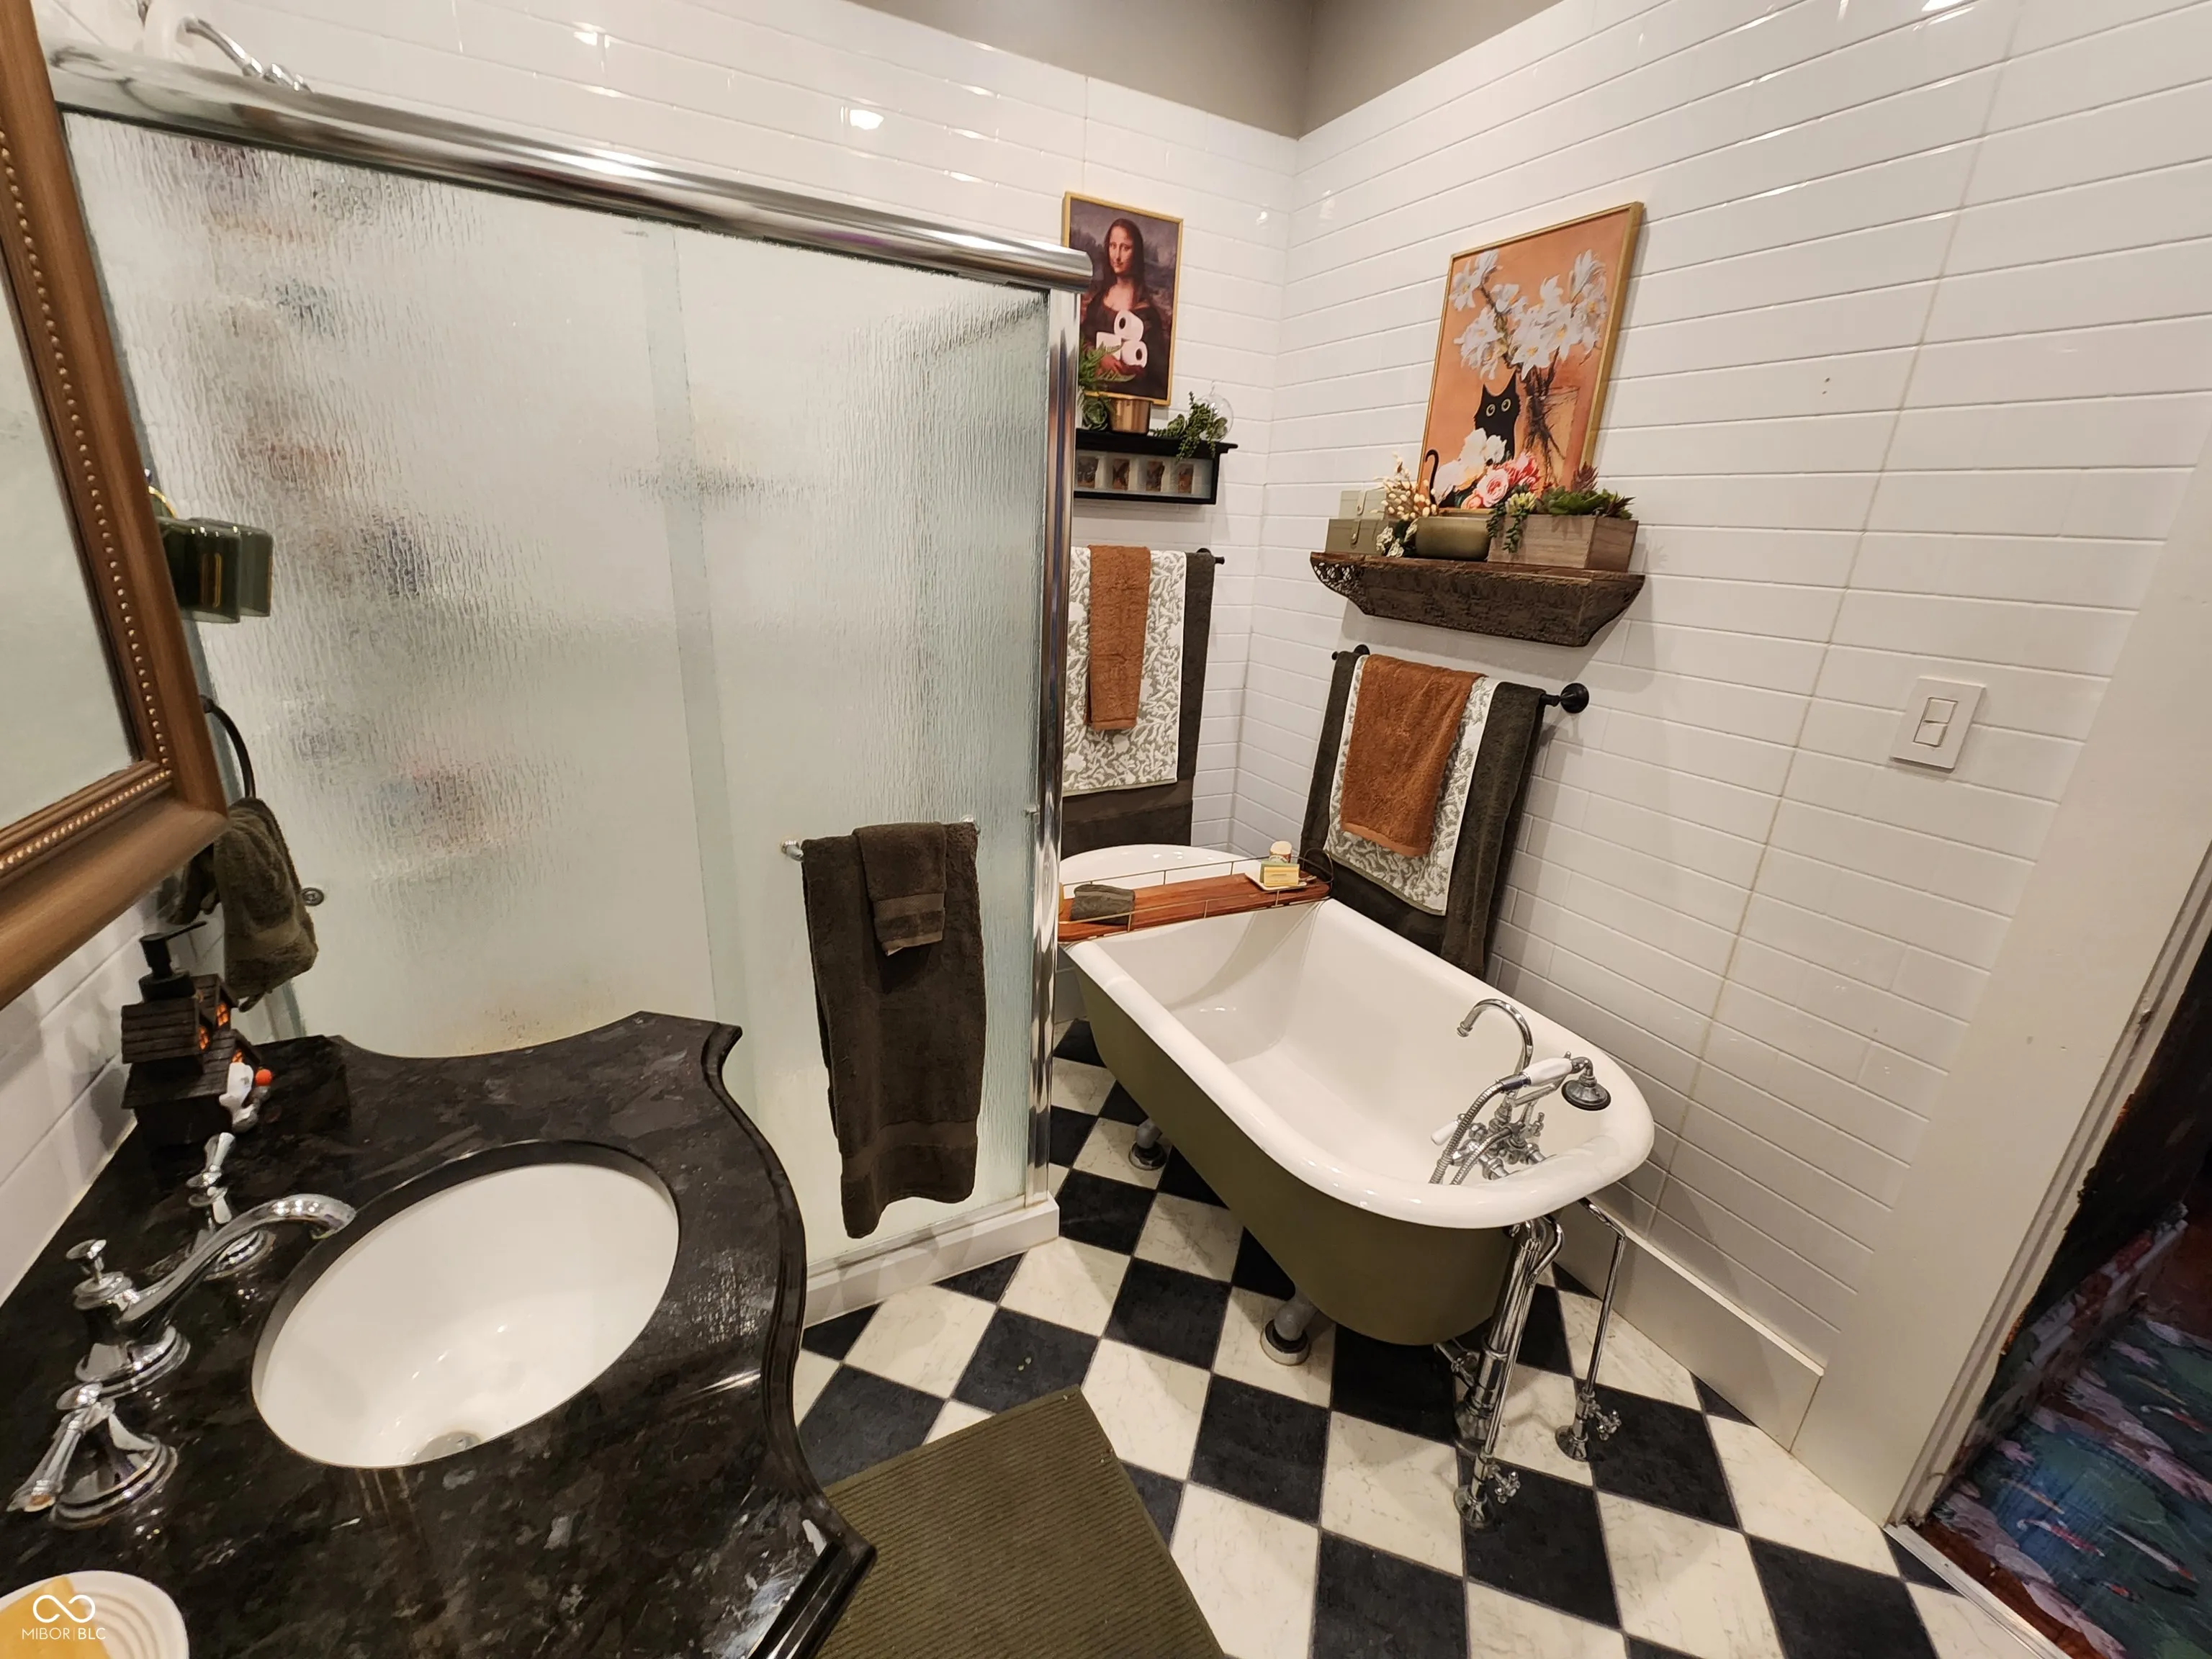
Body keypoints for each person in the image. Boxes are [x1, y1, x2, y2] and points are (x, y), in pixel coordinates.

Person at [1079, 215, 1171, 404]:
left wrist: (1132, 372)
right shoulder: (1099, 301)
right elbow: (1081, 341)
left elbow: (1158, 378)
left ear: (1136, 254)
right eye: (1113, 246)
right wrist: (1099, 357)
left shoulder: (1147, 315)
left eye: (1125, 248)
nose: (1117, 256)